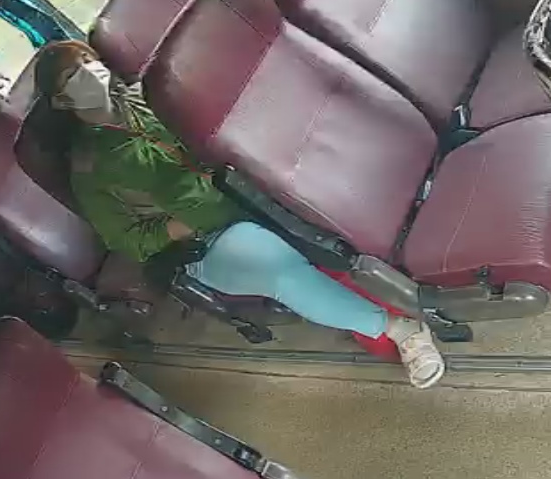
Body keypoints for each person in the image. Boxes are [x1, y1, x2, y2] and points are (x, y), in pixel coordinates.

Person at [30, 41, 444, 387]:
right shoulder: (90, 167)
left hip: (250, 188)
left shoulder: (150, 96)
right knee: (280, 271)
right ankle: (402, 330)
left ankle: (421, 271)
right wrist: (184, 223)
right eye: (73, 76)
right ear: (61, 100)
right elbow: (127, 239)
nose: (90, 74)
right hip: (207, 238)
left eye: (89, 62)